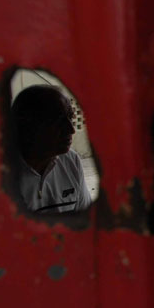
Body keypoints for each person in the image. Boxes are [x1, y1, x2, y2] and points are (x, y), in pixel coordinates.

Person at [11, 85, 91, 213]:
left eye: (70, 117)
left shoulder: (71, 161)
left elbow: (85, 217)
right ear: (29, 125)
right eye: (58, 120)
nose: (71, 129)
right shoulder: (0, 173)